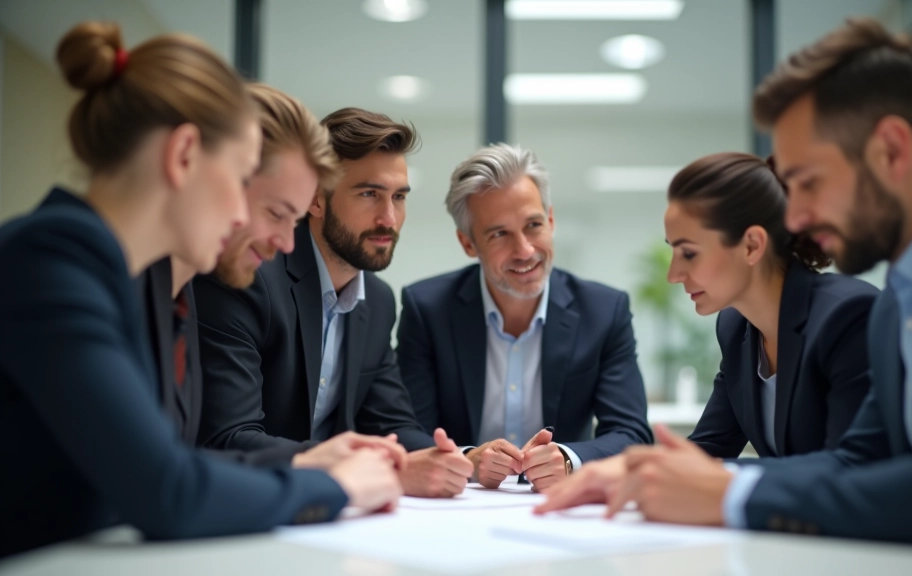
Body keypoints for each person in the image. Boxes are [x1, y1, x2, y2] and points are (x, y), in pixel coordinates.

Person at [543, 17, 912, 553]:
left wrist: (729, 495)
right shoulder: (899, 304)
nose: (793, 218)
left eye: (809, 183)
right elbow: (857, 462)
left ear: (891, 149)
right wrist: (656, 475)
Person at [0, 22, 402, 558]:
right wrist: (340, 488)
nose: (243, 215)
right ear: (184, 154)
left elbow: (168, 459)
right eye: (240, 180)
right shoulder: (53, 257)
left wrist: (306, 461)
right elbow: (167, 490)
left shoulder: (160, 292)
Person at [194, 107, 474, 498]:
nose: (389, 218)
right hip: (251, 503)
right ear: (315, 200)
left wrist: (463, 457)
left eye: (398, 197)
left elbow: (392, 424)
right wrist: (357, 468)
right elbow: (227, 437)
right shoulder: (249, 277)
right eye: (369, 194)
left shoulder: (376, 300)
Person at [397, 143, 652, 491]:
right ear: (468, 243)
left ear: (551, 219)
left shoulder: (604, 311)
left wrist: (568, 458)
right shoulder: (427, 309)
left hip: (561, 508)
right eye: (500, 233)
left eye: (533, 225)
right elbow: (405, 429)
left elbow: (631, 434)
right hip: (460, 509)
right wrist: (466, 459)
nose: (525, 251)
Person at [673, 152, 878, 459]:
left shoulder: (848, 316)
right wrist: (631, 473)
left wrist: (722, 480)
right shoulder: (735, 326)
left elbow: (850, 467)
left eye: (689, 253)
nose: (674, 274)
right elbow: (710, 449)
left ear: (752, 246)